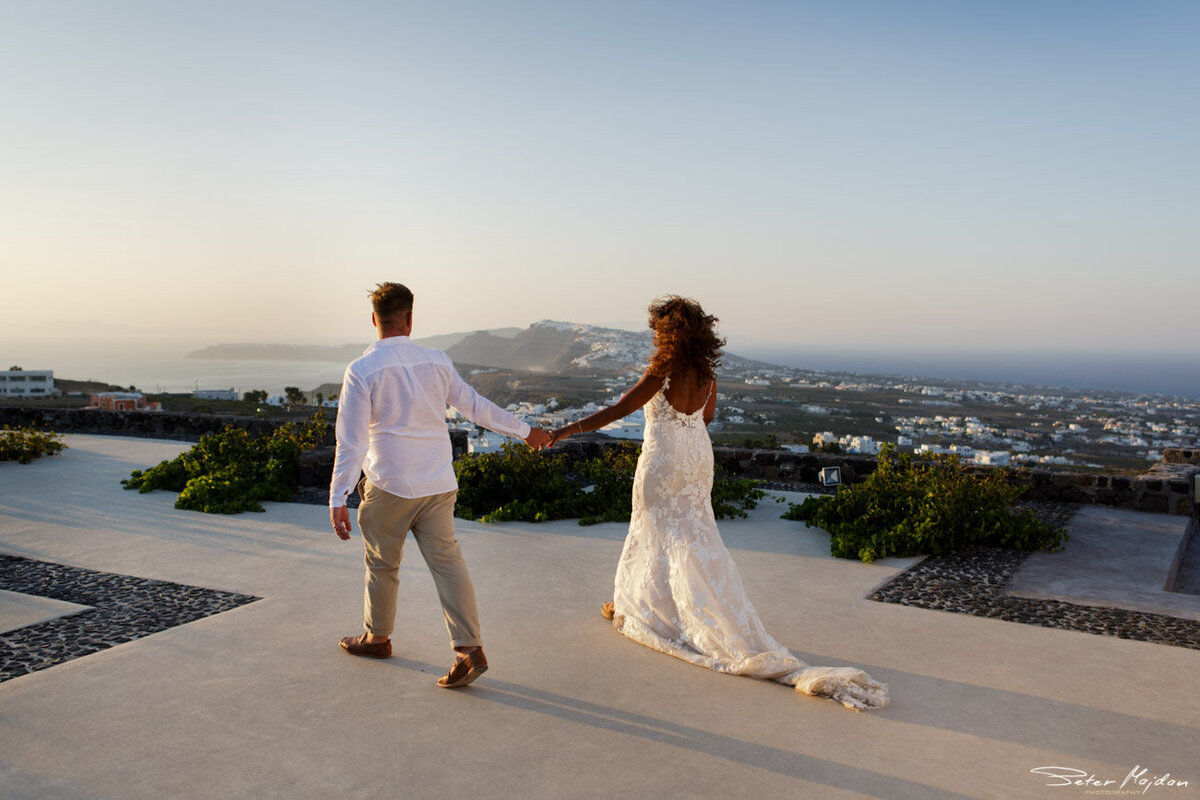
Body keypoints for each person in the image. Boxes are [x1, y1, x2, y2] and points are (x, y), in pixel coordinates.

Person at [549, 296, 888, 710]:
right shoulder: (707, 373)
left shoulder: (662, 370)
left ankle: (644, 610)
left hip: (665, 457)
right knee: (693, 535)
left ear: (667, 333)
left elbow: (622, 408)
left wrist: (565, 431)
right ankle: (653, 605)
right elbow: (705, 418)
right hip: (697, 456)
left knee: (653, 530)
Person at [330, 282, 551, 688]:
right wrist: (526, 431)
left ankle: (377, 638)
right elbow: (475, 407)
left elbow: (352, 440)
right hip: (437, 483)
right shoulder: (437, 361)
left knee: (381, 565)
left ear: (374, 320)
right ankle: (470, 649)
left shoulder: (361, 370)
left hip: (390, 483)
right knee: (449, 565)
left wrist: (338, 495)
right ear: (411, 319)